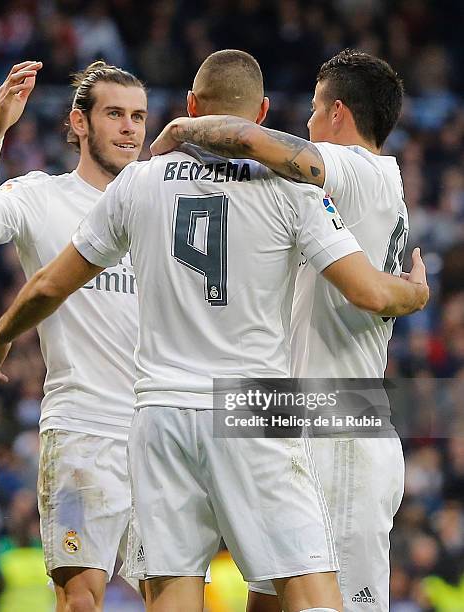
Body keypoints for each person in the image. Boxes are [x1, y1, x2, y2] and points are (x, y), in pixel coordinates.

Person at [0, 50, 428, 612]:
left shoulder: (137, 184)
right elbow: (368, 289)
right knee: (311, 591)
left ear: (192, 106)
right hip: (256, 411)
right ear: (262, 113)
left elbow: (49, 285)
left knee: (171, 592)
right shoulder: (294, 189)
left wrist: (3, 331)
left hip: (161, 416)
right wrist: (418, 290)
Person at [151, 48, 410, 612]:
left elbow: (256, 143)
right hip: (296, 418)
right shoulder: (360, 191)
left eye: (316, 109)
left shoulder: (359, 172)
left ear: (338, 112)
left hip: (343, 426)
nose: (307, 123)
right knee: (269, 602)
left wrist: (187, 126)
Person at [0, 59, 148, 612]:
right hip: (84, 431)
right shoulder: (44, 196)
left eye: (138, 116)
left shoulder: (163, 205)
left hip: (160, 432)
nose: (130, 128)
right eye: (114, 114)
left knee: (171, 592)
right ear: (79, 123)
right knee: (80, 598)